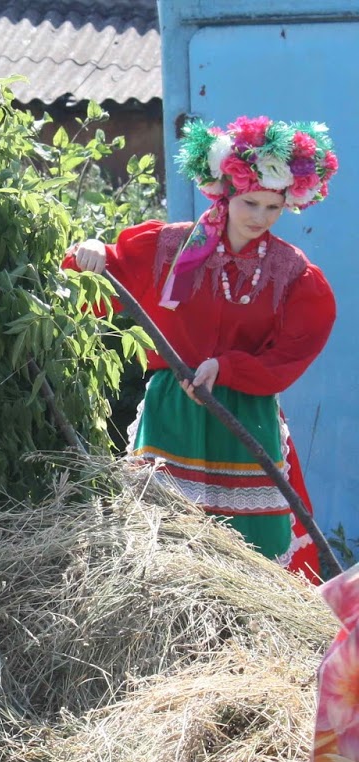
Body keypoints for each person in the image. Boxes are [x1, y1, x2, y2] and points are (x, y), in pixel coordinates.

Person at [69, 115, 337, 582]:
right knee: (165, 541)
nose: (259, 218)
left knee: (254, 556)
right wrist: (89, 249)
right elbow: (96, 277)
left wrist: (227, 368)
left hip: (244, 414)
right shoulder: (169, 247)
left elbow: (290, 354)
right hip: (174, 410)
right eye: (250, 203)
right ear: (225, 194)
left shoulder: (291, 273)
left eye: (273, 208)